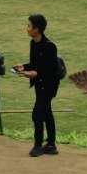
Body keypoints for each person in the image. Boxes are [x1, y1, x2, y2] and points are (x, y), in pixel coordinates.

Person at [22, 13, 65, 155]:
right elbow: (35, 64)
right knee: (46, 112)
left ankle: (38, 145)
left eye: (29, 26)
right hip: (39, 84)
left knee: (37, 114)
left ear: (37, 29)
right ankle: (51, 145)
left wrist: (34, 73)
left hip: (49, 86)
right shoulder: (33, 43)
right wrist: (23, 67)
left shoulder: (50, 47)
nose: (27, 28)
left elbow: (49, 70)